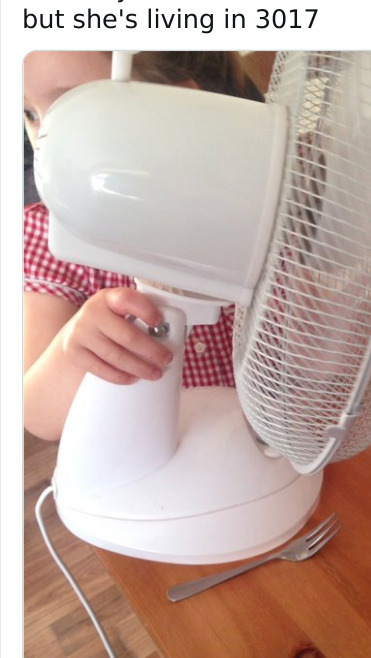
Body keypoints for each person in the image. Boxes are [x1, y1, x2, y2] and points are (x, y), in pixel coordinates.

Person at [23, 51, 264, 442]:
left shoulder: (255, 208)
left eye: (69, 105)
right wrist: (74, 351)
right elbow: (38, 414)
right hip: (140, 470)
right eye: (30, 114)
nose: (43, 136)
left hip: (264, 451)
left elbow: (323, 361)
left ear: (181, 107)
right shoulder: (49, 238)